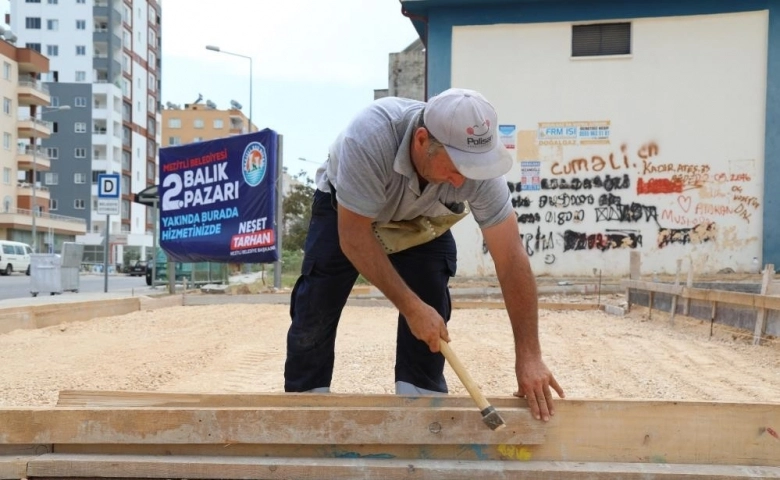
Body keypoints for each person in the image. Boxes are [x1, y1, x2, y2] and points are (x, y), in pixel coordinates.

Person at [284, 88, 564, 421]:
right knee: (317, 302)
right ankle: (303, 409)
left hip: (422, 214)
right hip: (348, 211)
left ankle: (423, 411)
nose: (463, 180)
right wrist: (410, 307)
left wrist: (529, 355)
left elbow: (510, 256)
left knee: (431, 296)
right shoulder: (369, 138)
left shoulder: (477, 174)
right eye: (457, 166)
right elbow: (355, 238)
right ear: (421, 140)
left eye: (473, 168)